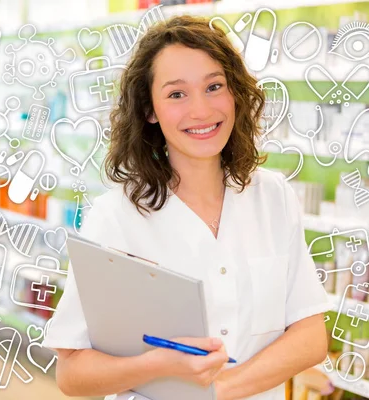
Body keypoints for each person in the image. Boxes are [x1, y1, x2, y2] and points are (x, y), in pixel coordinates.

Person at [42, 15, 331, 400]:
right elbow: (72, 374)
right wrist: (159, 366)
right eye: (177, 94)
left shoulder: (273, 196)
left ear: (236, 94)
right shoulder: (116, 217)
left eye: (214, 86)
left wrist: (215, 392)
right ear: (150, 110)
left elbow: (311, 337)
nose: (201, 110)